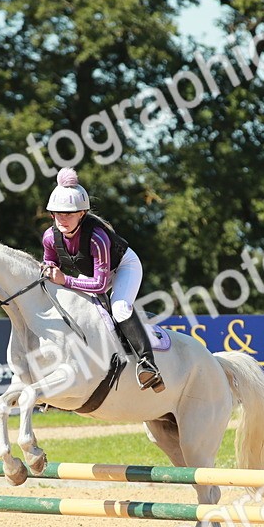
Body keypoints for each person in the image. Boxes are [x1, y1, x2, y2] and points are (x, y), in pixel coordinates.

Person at [40, 167, 164, 391]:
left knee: (120, 308)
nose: (63, 219)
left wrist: (65, 280)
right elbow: (50, 263)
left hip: (123, 267)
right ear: (51, 214)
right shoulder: (49, 237)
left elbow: (99, 285)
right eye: (58, 213)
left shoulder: (97, 238)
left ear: (82, 214)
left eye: (69, 214)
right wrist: (50, 270)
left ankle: (148, 364)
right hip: (92, 273)